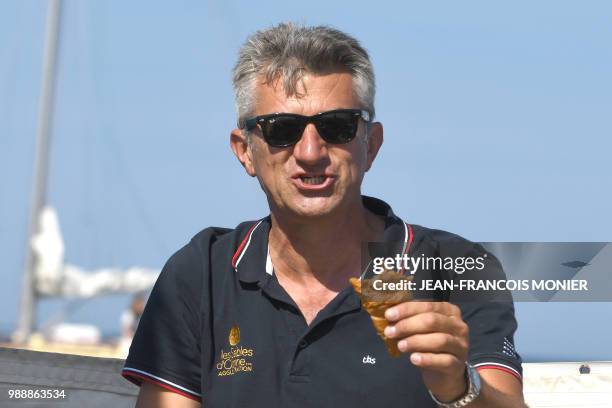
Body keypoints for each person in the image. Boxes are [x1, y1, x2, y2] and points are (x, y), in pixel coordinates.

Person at [122, 23, 526, 407]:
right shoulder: (202, 273)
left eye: (337, 126)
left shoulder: (458, 269)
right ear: (245, 151)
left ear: (372, 143)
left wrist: (459, 386)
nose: (311, 152)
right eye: (281, 129)